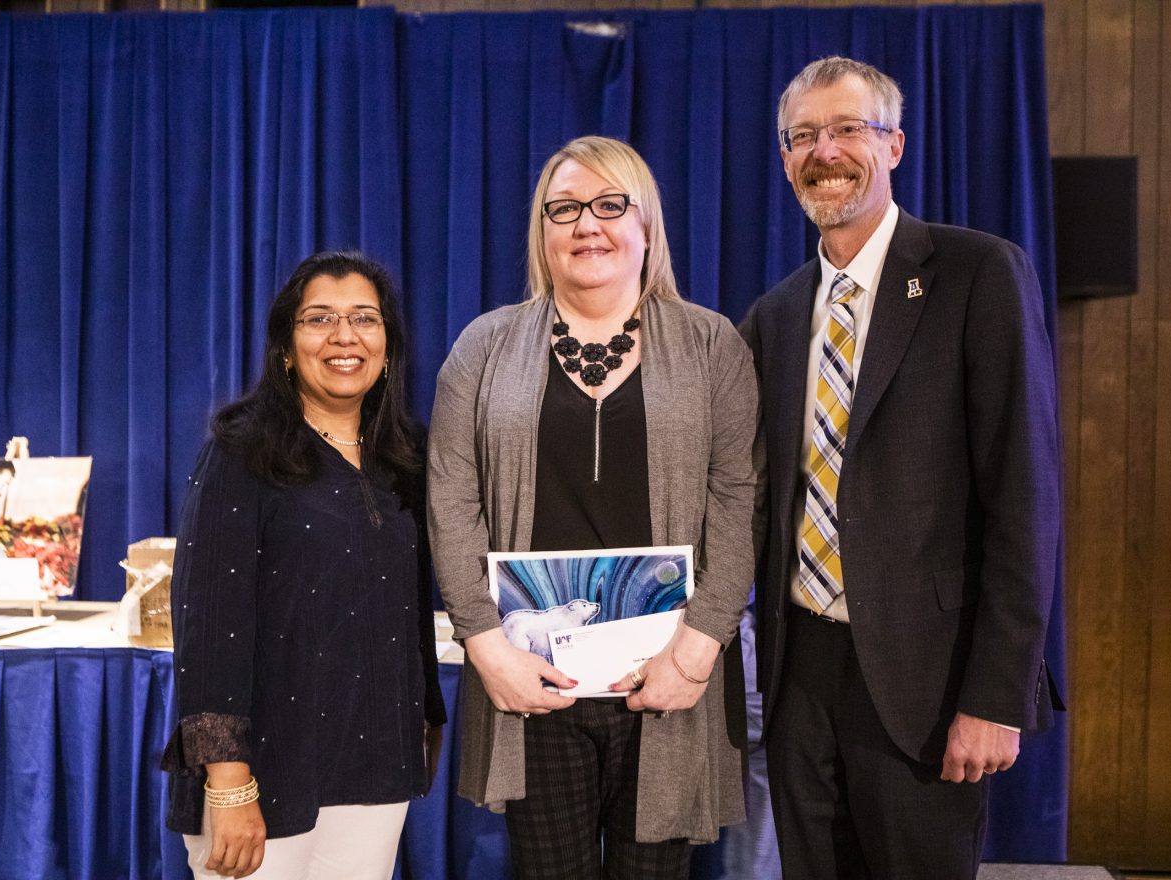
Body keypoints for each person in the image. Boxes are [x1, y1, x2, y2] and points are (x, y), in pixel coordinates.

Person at [740, 57, 1062, 879]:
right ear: (784, 159)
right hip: (799, 676)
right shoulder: (775, 315)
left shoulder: (977, 274)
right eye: (804, 136)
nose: (825, 151)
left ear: (895, 145)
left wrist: (996, 696)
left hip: (930, 681)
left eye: (848, 128)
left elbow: (1025, 500)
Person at [427, 135, 757, 879]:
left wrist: (698, 651)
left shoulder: (712, 346)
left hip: (670, 679)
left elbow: (739, 503)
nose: (587, 225)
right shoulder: (483, 348)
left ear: (646, 225)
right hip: (532, 683)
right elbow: (450, 499)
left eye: (610, 205)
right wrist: (487, 648)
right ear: (541, 230)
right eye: (565, 208)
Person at [161, 251, 446, 880]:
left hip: (376, 762)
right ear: (286, 349)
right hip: (261, 773)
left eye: (365, 318)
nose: (345, 336)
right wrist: (229, 782)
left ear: (388, 348)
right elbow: (209, 624)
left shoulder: (407, 457)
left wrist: (425, 713)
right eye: (320, 319)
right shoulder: (242, 452)